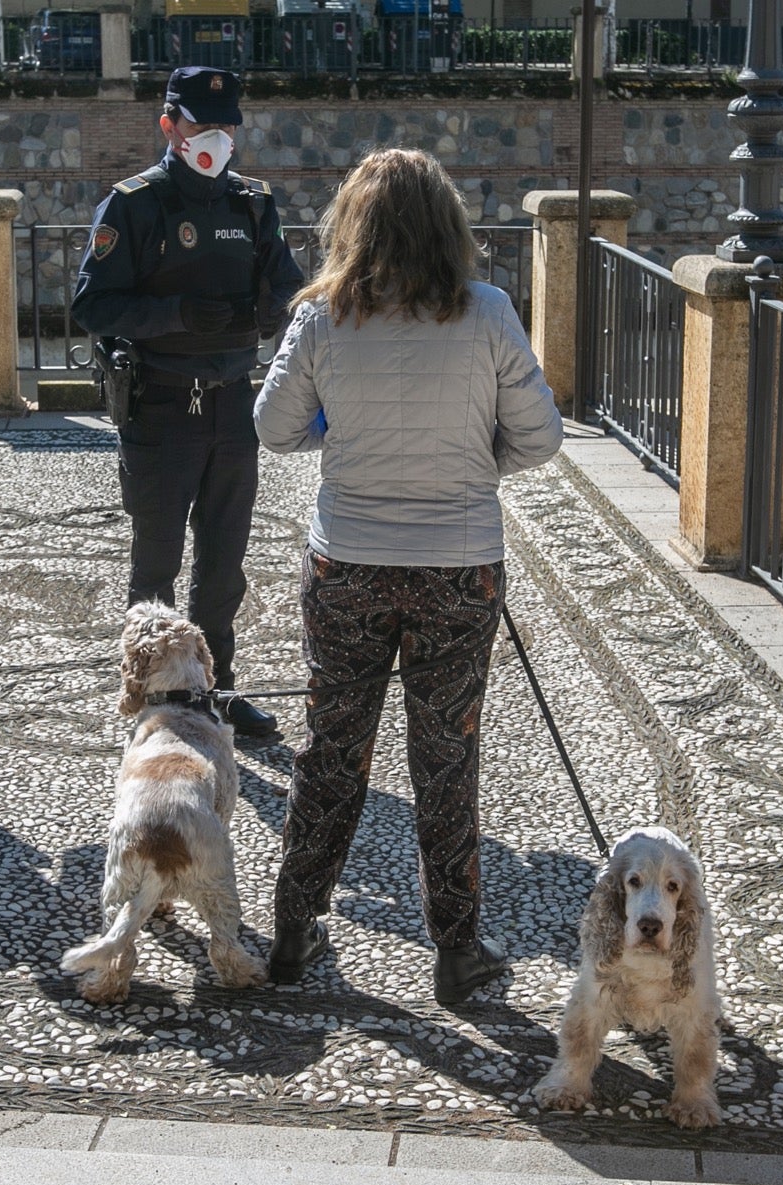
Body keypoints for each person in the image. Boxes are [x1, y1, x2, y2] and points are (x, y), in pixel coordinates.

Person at [253, 148, 564, 1006]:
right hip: (457, 569)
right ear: (448, 225)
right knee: (446, 758)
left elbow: (273, 428)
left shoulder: (320, 318)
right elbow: (540, 438)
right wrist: (472, 466)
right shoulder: (491, 313)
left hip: (346, 561)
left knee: (330, 751)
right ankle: (457, 952)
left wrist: (339, 442)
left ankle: (293, 930)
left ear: (352, 224)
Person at [71, 66, 305, 738]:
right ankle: (151, 698)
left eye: (226, 125)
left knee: (224, 563)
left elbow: (287, 288)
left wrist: (272, 307)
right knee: (156, 566)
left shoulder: (252, 204)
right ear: (169, 125)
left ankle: (217, 690)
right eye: (202, 125)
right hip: (162, 406)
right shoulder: (134, 204)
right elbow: (93, 304)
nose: (217, 137)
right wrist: (175, 314)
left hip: (232, 405)